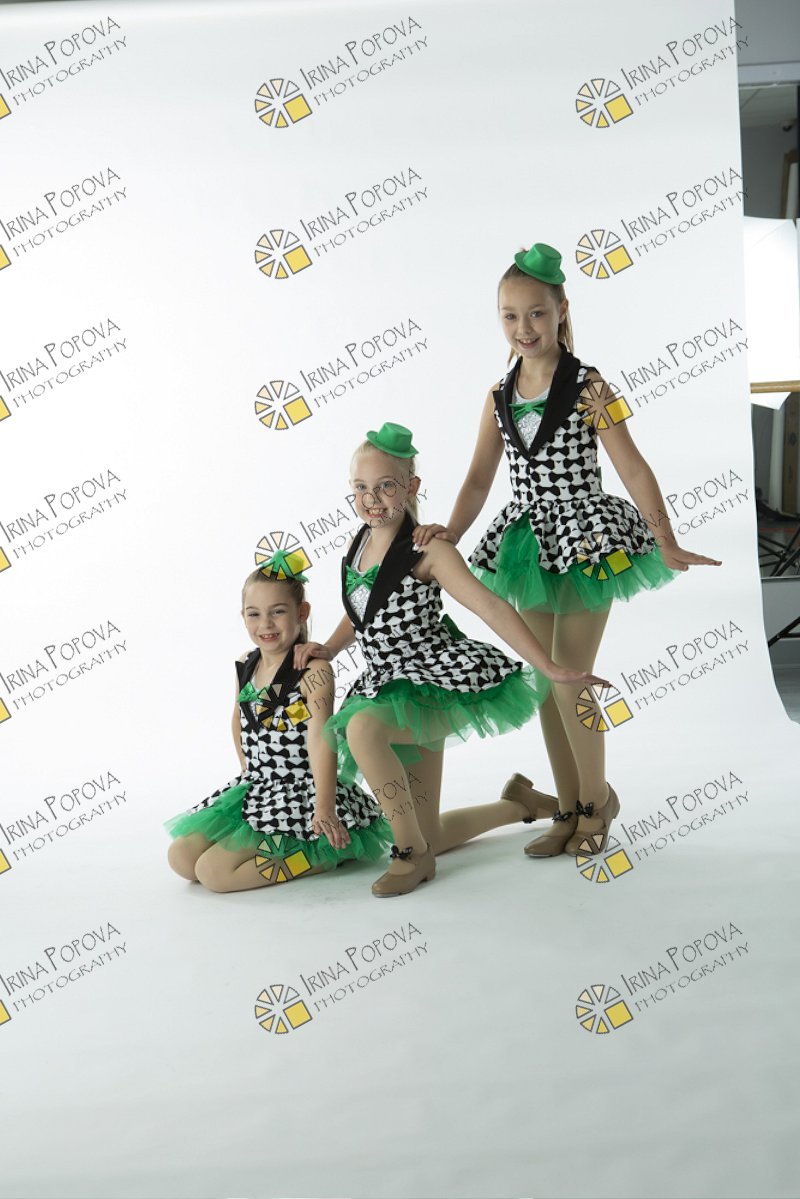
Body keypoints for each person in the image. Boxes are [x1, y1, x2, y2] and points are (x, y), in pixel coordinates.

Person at [414, 242, 721, 861]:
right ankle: (569, 804)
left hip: (588, 543)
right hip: (528, 547)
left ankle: (596, 803)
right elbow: (478, 479)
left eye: (536, 313)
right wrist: (449, 533)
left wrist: (664, 537)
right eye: (509, 315)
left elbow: (631, 465)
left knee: (571, 682)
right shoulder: (498, 395)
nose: (523, 328)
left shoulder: (590, 385)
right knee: (545, 681)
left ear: (561, 312)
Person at [295, 421, 609, 897]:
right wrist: (330, 648)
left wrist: (548, 666)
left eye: (385, 486)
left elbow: (490, 606)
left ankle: (410, 855)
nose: (371, 499)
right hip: (388, 686)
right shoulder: (359, 542)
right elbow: (361, 609)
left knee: (361, 729)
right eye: (360, 488)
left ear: (411, 487)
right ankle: (521, 805)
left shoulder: (429, 550)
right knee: (433, 833)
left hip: (434, 684)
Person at [166, 552, 391, 892]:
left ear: (302, 613)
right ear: (243, 616)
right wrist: (248, 775)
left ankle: (323, 853)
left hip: (301, 792)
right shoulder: (246, 663)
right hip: (261, 784)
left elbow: (321, 739)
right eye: (254, 614)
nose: (266, 624)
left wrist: (324, 806)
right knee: (182, 858)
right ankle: (273, 839)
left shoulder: (312, 671)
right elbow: (239, 720)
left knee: (214, 874)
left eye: (278, 612)